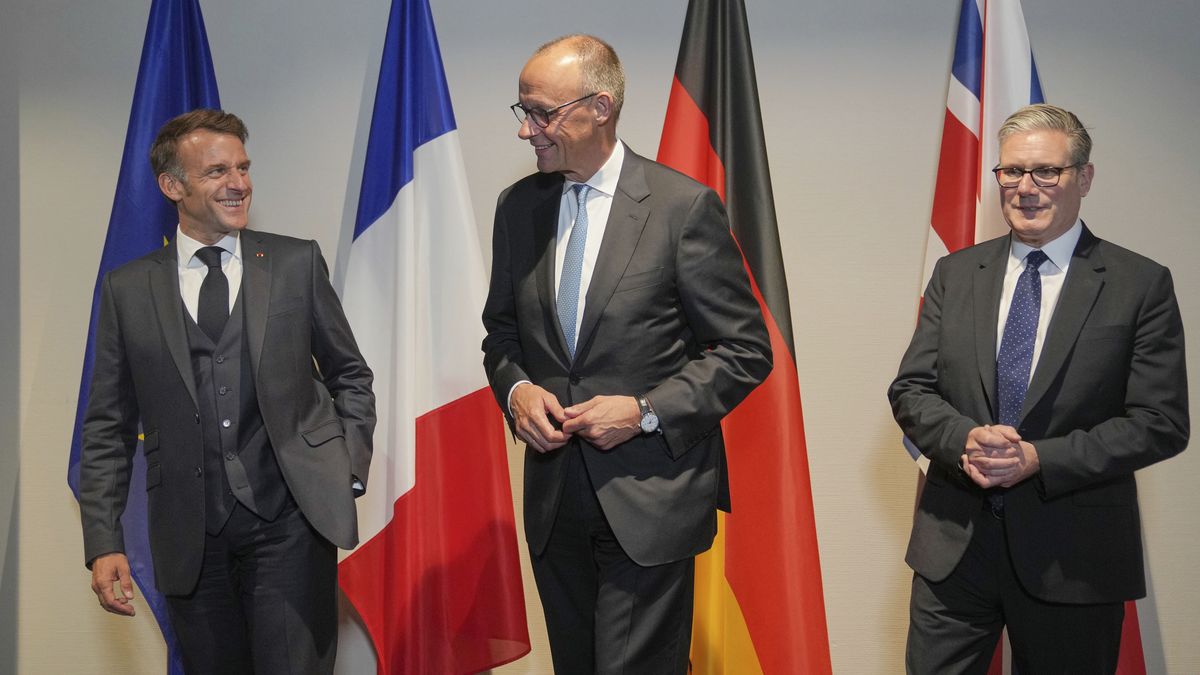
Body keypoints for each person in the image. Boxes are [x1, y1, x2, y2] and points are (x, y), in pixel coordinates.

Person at [482, 34, 772, 673]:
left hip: (651, 497)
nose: (527, 131)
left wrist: (643, 410)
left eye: (542, 113)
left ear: (601, 107)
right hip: (556, 499)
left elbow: (747, 350)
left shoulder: (681, 208)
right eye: (522, 111)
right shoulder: (519, 208)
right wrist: (516, 391)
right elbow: (500, 335)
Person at [889, 103, 1189, 673]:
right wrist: (964, 439)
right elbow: (912, 389)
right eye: (1011, 172)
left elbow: (1161, 422)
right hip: (954, 549)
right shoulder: (956, 273)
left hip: (1073, 558)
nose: (1025, 188)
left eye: (1045, 172)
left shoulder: (1139, 284)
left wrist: (1037, 458)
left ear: (1084, 178)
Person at [79, 109, 375, 674]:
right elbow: (106, 427)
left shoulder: (294, 263)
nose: (238, 183)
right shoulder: (126, 290)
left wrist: (346, 467)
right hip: (190, 536)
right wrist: (104, 539)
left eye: (243, 167)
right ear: (173, 186)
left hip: (291, 525)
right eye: (217, 171)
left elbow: (351, 376)